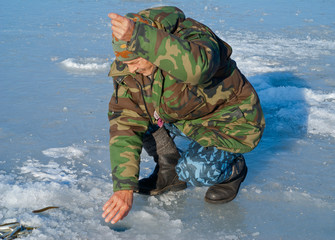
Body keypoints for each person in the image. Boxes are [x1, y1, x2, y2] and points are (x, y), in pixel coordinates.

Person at [102, 6, 265, 224]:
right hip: (184, 118)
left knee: (196, 170)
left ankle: (234, 170)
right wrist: (123, 186)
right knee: (138, 113)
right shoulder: (132, 70)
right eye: (127, 64)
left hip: (226, 123)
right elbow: (125, 123)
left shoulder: (192, 37)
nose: (131, 70)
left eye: (135, 62)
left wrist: (140, 37)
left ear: (149, 46)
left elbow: (198, 68)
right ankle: (169, 170)